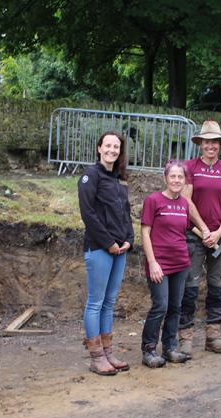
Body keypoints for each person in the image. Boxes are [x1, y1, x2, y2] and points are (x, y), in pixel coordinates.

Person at [140, 161, 208, 368]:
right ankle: (149, 349)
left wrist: (207, 234)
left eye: (181, 177)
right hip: (159, 263)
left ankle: (170, 348)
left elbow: (187, 228)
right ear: (165, 178)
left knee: (175, 307)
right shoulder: (154, 200)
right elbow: (145, 232)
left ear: (185, 181)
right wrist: (152, 263)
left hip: (181, 263)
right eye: (173, 176)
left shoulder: (184, 204)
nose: (177, 180)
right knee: (160, 305)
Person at [178, 120, 221, 356]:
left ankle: (213, 336)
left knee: (217, 286)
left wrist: (219, 233)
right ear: (200, 143)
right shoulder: (190, 168)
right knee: (190, 287)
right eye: (206, 141)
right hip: (194, 235)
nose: (210, 145)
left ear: (220, 145)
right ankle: (185, 337)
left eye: (215, 142)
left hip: (220, 236)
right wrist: (204, 230)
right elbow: (187, 201)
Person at [77, 131, 134, 375]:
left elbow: (125, 213)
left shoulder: (118, 179)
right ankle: (96, 356)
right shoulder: (91, 176)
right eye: (108, 146)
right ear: (99, 148)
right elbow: (88, 214)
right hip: (100, 248)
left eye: (116, 147)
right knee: (96, 302)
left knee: (109, 303)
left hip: (120, 250)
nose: (112, 150)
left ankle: (108, 353)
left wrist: (129, 240)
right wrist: (109, 242)